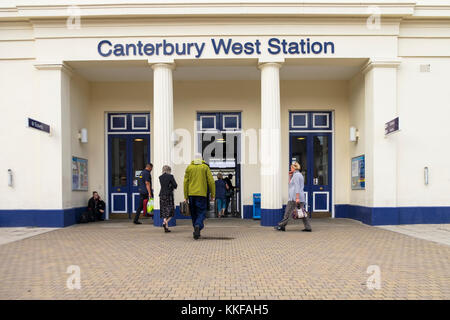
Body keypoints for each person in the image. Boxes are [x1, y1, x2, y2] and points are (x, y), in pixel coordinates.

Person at [183, 154, 215, 240]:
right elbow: (211, 181)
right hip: (202, 194)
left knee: (193, 213)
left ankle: (196, 231)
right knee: (201, 212)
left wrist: (185, 196)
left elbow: (185, 182)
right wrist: (213, 194)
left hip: (191, 194)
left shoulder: (189, 168)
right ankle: (198, 226)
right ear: (201, 159)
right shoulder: (205, 167)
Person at [275, 161, 312, 232]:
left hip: (294, 198)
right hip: (296, 197)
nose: (290, 168)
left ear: (294, 167)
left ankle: (281, 226)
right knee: (302, 213)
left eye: (291, 167)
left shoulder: (296, 175)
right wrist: (290, 176)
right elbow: (290, 185)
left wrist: (297, 198)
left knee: (287, 212)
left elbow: (297, 187)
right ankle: (308, 227)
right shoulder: (297, 175)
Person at [159, 165, 177, 233]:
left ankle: (166, 227)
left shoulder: (160, 177)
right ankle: (165, 222)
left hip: (162, 195)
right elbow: (175, 185)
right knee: (171, 211)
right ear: (169, 170)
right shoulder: (170, 176)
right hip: (169, 195)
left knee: (164, 211)